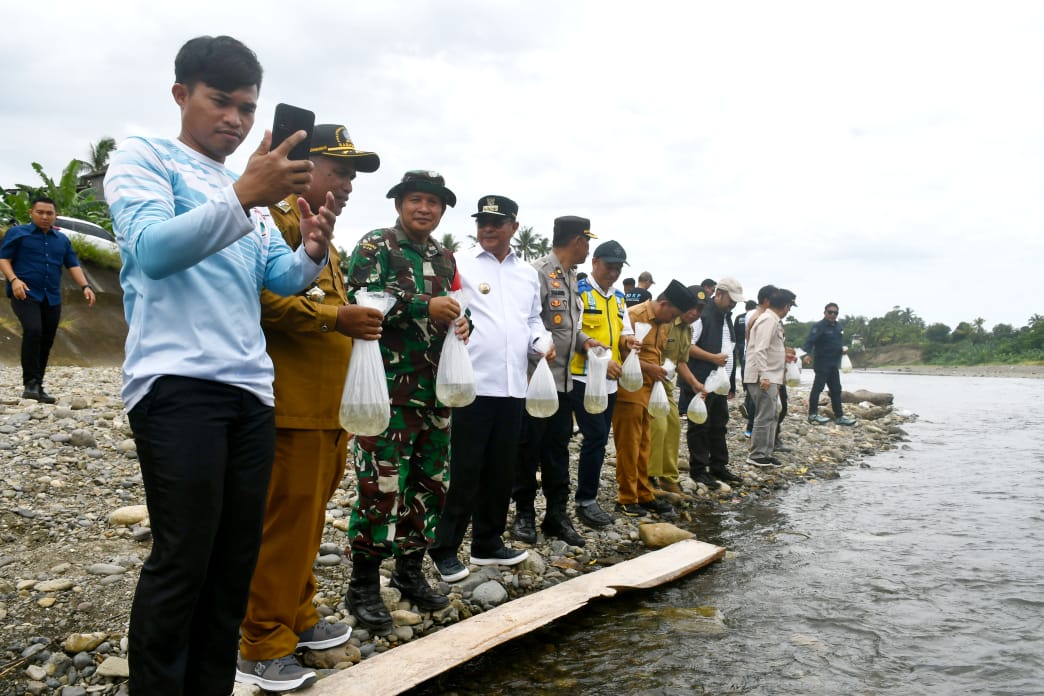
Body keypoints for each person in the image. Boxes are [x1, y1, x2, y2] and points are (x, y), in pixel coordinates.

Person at [103, 35, 333, 696]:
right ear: (182, 94)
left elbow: (274, 277)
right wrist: (243, 195)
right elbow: (150, 251)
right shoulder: (145, 157)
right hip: (176, 386)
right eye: (220, 101)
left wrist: (313, 252)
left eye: (246, 107)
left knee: (233, 563)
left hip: (249, 391)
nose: (234, 118)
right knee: (183, 558)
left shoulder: (248, 193)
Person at [236, 124, 383, 692]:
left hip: (328, 410)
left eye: (351, 175)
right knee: (284, 526)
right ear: (300, 164)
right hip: (289, 405)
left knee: (310, 521)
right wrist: (333, 318)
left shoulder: (321, 232)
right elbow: (262, 297)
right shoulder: (269, 220)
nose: (346, 184)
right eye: (338, 170)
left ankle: (297, 615)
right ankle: (263, 642)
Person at [343, 170, 466, 633]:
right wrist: (422, 307)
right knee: (380, 487)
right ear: (399, 203)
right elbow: (360, 299)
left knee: (430, 484)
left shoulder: (445, 256)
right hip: (389, 390)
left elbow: (454, 302)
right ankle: (364, 583)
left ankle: (411, 569)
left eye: (434, 203)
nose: (425, 209)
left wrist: (461, 322)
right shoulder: (377, 245)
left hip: (436, 394)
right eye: (416, 199)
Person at [429, 195, 543, 582]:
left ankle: (487, 543)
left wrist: (540, 342)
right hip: (471, 383)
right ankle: (444, 548)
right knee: (464, 470)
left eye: (497, 222)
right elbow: (446, 306)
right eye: (483, 222)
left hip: (513, 387)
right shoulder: (458, 262)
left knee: (501, 469)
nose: (488, 229)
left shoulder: (527, 273)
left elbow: (533, 320)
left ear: (514, 226)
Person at [512, 216, 594, 548]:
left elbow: (568, 328)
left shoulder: (572, 276)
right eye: (587, 241)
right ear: (577, 240)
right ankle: (524, 514)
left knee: (558, 452)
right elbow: (526, 324)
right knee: (528, 451)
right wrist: (537, 352)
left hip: (564, 385)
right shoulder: (538, 273)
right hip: (535, 384)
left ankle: (557, 516)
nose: (589, 248)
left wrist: (586, 343)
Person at [612, 280, 699, 517]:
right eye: (674, 314)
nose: (674, 319)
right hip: (629, 388)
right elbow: (617, 357)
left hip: (651, 388)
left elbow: (659, 355)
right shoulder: (633, 316)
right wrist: (649, 368)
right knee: (628, 445)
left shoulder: (664, 322)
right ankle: (627, 498)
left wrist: (659, 370)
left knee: (644, 444)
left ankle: (644, 493)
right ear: (664, 304)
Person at [567, 240, 638, 527]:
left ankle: (586, 497)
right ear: (594, 262)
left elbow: (624, 332)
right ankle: (585, 501)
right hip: (583, 376)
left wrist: (628, 342)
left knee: (598, 437)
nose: (614, 272)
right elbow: (573, 333)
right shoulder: (580, 292)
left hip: (609, 381)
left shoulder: (619, 298)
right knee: (595, 436)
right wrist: (600, 360)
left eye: (618, 267)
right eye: (609, 266)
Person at [0, 196, 96, 403]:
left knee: (47, 338)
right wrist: (14, 280)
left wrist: (85, 286)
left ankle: (39, 385)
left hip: (51, 295)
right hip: (24, 292)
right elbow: (4, 258)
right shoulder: (17, 234)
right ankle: (30, 384)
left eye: (49, 213)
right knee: (33, 330)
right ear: (31, 213)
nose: (45, 217)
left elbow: (72, 264)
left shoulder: (61, 240)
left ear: (55, 215)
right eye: (40, 212)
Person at [679, 277, 745, 489]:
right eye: (730, 299)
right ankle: (699, 470)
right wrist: (711, 357)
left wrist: (731, 384)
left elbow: (729, 350)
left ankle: (718, 466)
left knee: (718, 424)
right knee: (699, 425)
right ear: (719, 294)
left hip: (720, 382)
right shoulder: (702, 315)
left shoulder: (726, 317)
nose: (733, 304)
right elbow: (686, 346)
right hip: (699, 380)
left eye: (736, 301)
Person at [648, 286, 707, 495]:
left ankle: (668, 477)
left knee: (673, 426)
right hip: (651, 380)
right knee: (659, 426)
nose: (695, 313)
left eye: (700, 310)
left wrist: (694, 383)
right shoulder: (667, 321)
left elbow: (680, 361)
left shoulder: (688, 329)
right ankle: (649, 476)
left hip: (666, 384)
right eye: (692, 308)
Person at [744, 288, 797, 467]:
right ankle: (757, 454)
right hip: (763, 376)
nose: (789, 310)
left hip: (771, 375)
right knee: (764, 415)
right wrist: (764, 375)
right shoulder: (768, 320)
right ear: (785, 306)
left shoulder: (773, 320)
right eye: (789, 306)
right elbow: (760, 349)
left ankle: (766, 452)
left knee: (772, 415)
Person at [803, 302, 857, 426]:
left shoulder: (838, 327)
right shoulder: (819, 326)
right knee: (818, 388)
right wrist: (806, 354)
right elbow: (809, 342)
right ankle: (812, 415)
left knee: (836, 390)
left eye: (835, 313)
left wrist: (843, 349)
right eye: (830, 312)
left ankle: (839, 417)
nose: (833, 315)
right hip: (822, 363)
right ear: (825, 313)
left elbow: (838, 342)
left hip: (834, 364)